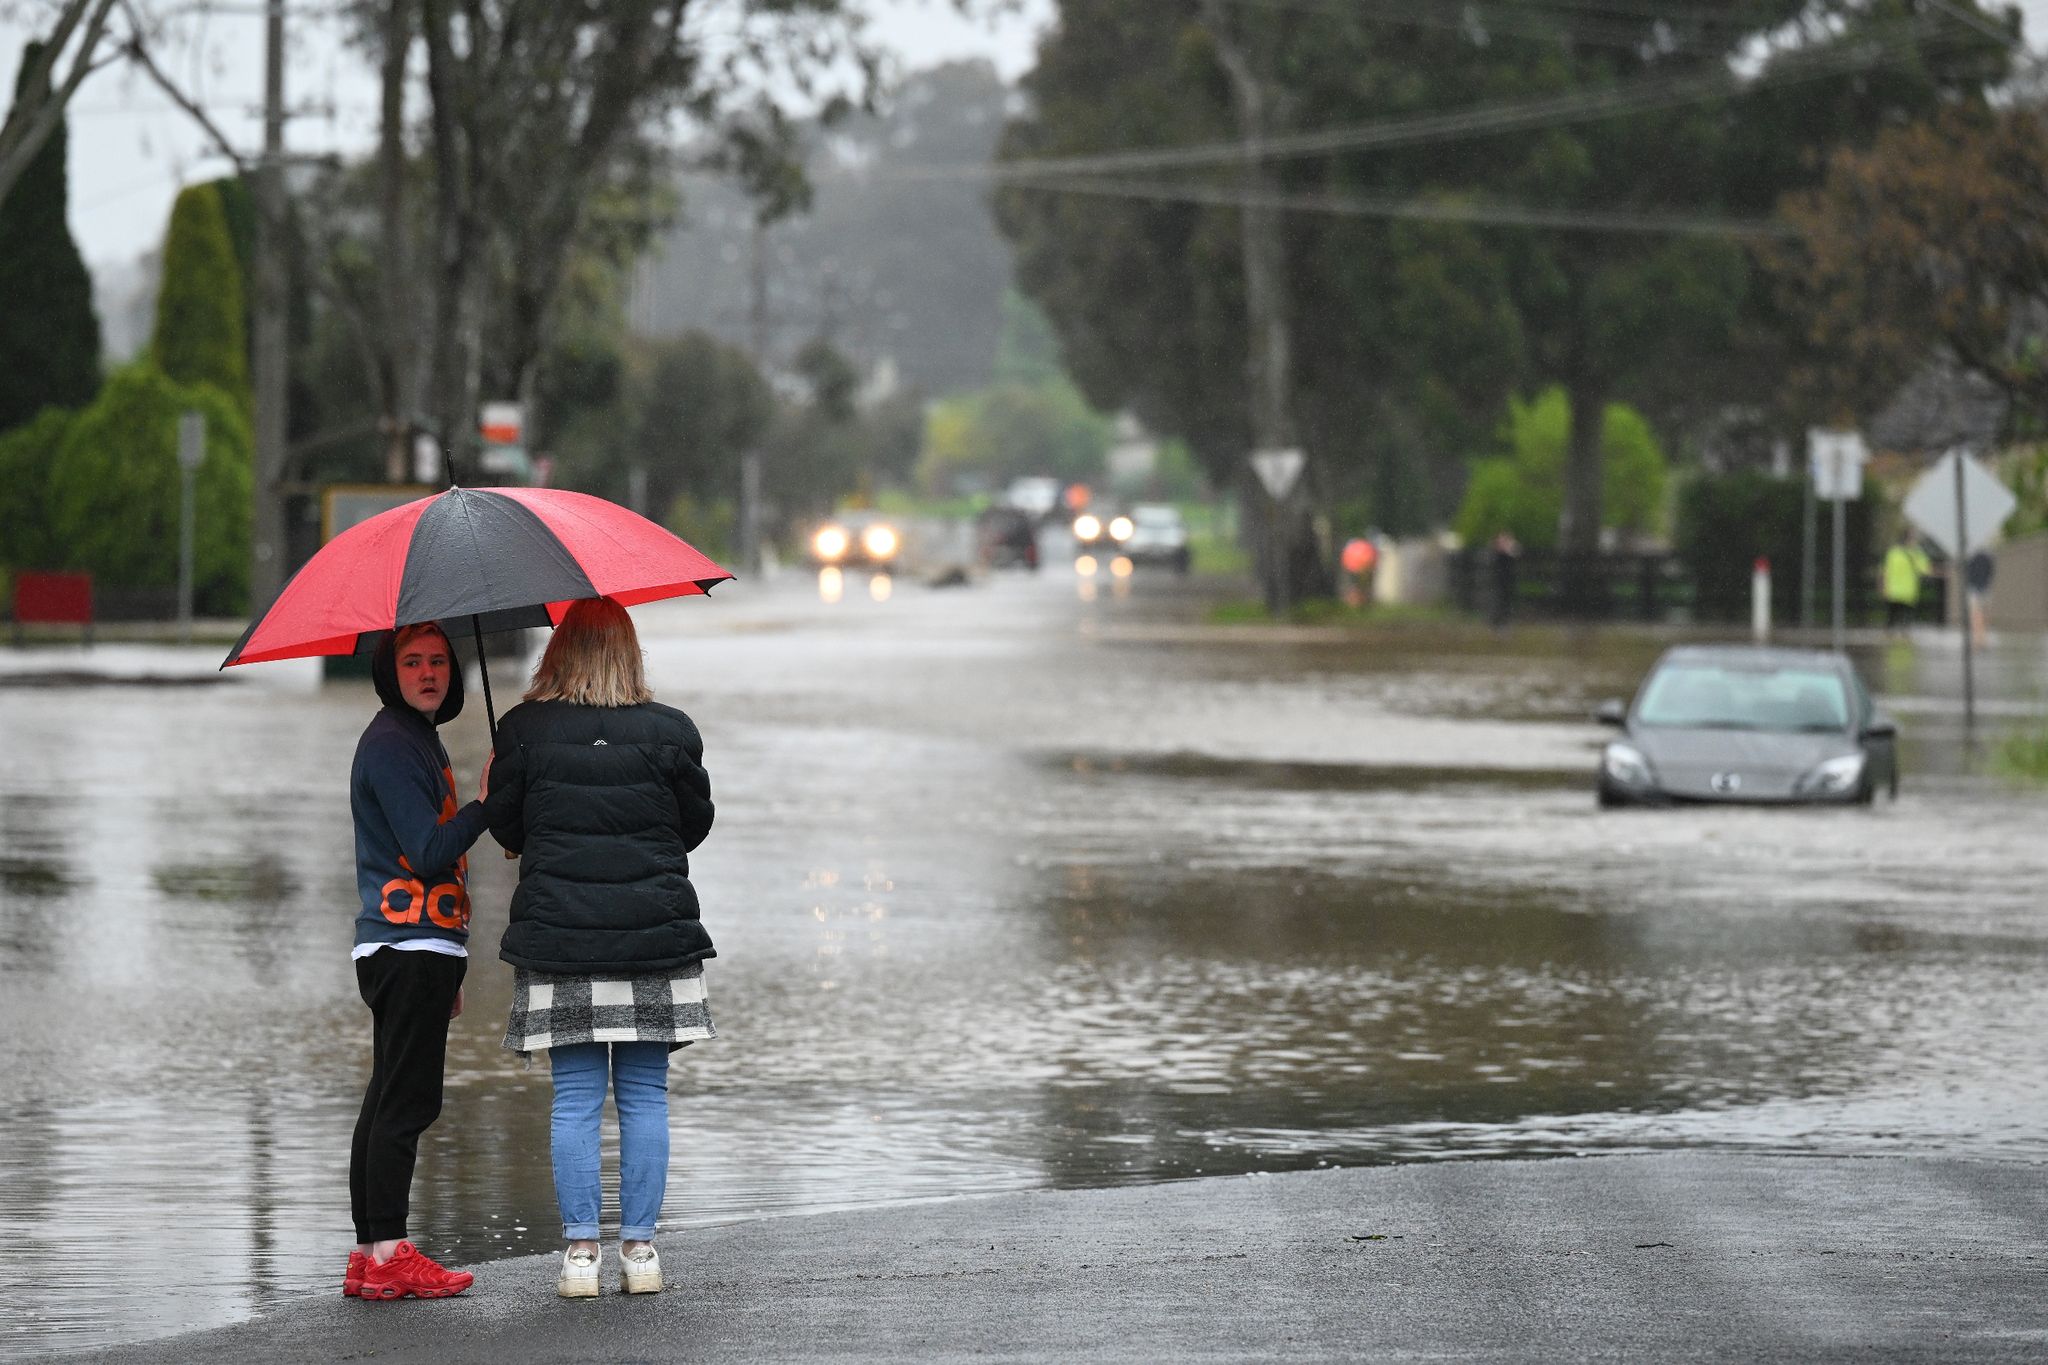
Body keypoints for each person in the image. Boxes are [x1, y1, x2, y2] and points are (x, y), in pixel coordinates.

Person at [482, 597, 717, 1299]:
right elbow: (693, 824)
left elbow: (508, 827)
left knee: (575, 1101)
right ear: (631, 651)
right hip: (655, 937)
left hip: (561, 942)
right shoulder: (672, 731)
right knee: (645, 1097)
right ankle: (640, 1252)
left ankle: (580, 1254)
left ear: (558, 653)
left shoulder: (523, 730)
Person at [346, 622, 491, 1301]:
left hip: (413, 946)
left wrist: (454, 960)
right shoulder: (392, 744)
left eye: (438, 660)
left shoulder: (413, 739)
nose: (429, 671)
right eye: (412, 661)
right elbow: (430, 851)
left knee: (386, 1097)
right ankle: (389, 1252)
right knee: (407, 1101)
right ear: (390, 670)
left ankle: (371, 1251)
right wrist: (488, 805)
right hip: (407, 947)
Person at [1882, 530, 1933, 634]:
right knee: (1905, 620)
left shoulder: (1893, 552)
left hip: (1894, 591)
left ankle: (1889, 638)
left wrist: (1884, 586)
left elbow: (1885, 571)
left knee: (1892, 618)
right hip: (1908, 592)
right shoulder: (1917, 553)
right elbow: (1926, 569)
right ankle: (1904, 639)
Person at [1966, 546, 1996, 646]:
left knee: (1977, 612)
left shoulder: (1971, 556)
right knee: (1982, 612)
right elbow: (1991, 572)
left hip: (1976, 588)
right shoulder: (1989, 556)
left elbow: (1968, 572)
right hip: (1983, 587)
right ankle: (1981, 635)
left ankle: (1979, 636)